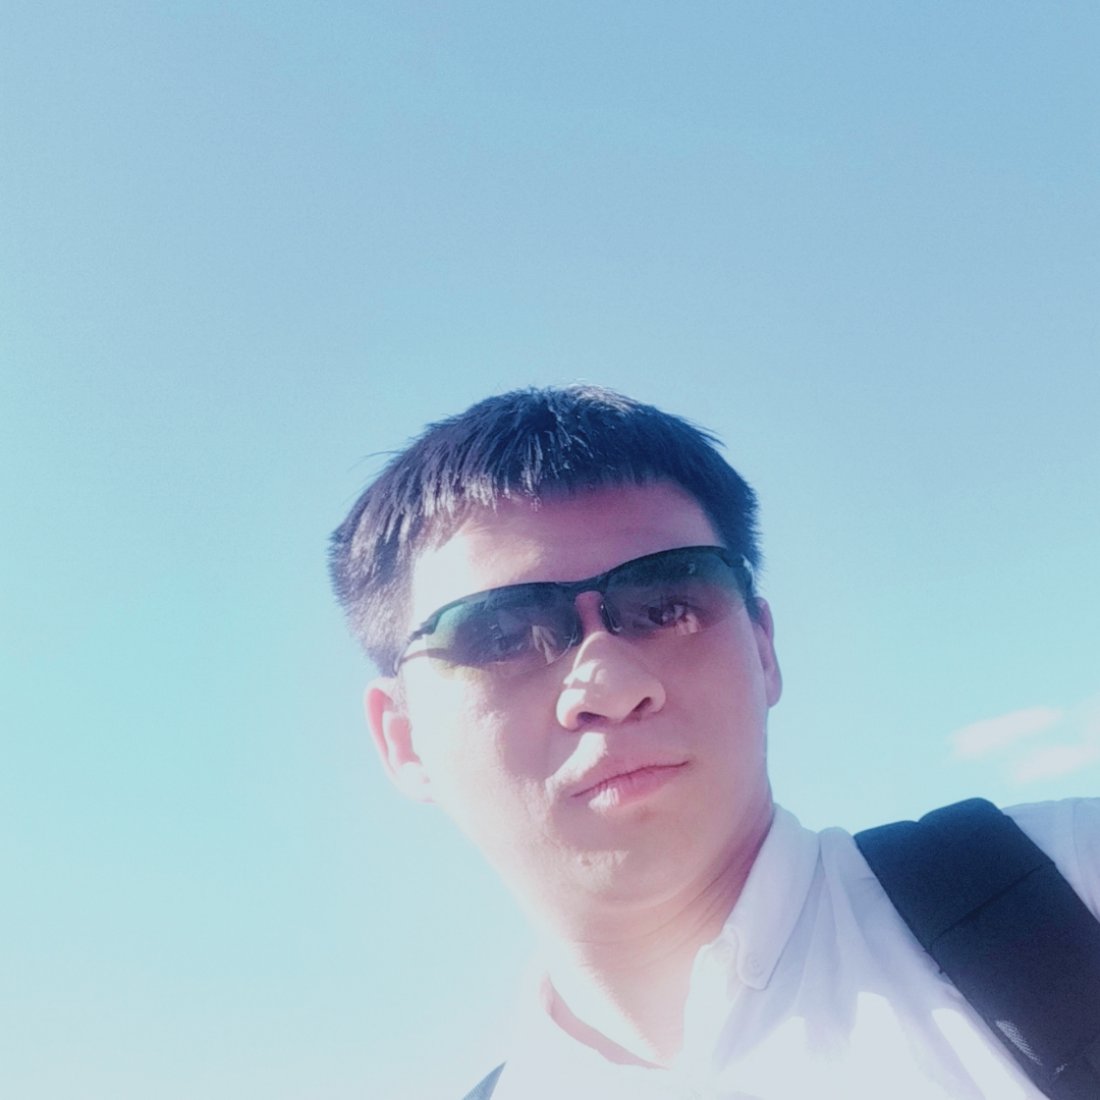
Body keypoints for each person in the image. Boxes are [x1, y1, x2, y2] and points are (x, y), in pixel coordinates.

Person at [328, 385, 1100, 1099]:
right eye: (502, 634)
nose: (609, 684)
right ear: (404, 740)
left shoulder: (1069, 887)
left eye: (669, 604)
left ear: (764, 649)